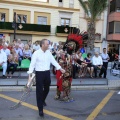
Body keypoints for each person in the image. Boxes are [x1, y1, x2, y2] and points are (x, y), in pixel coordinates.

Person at [27, 39, 65, 118]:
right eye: (47, 44)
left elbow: (53, 61)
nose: (49, 45)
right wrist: (30, 74)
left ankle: (42, 100)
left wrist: (60, 68)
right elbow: (32, 64)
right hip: (39, 73)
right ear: (43, 45)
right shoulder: (36, 53)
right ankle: (40, 108)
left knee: (47, 89)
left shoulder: (48, 53)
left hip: (47, 73)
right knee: (39, 91)